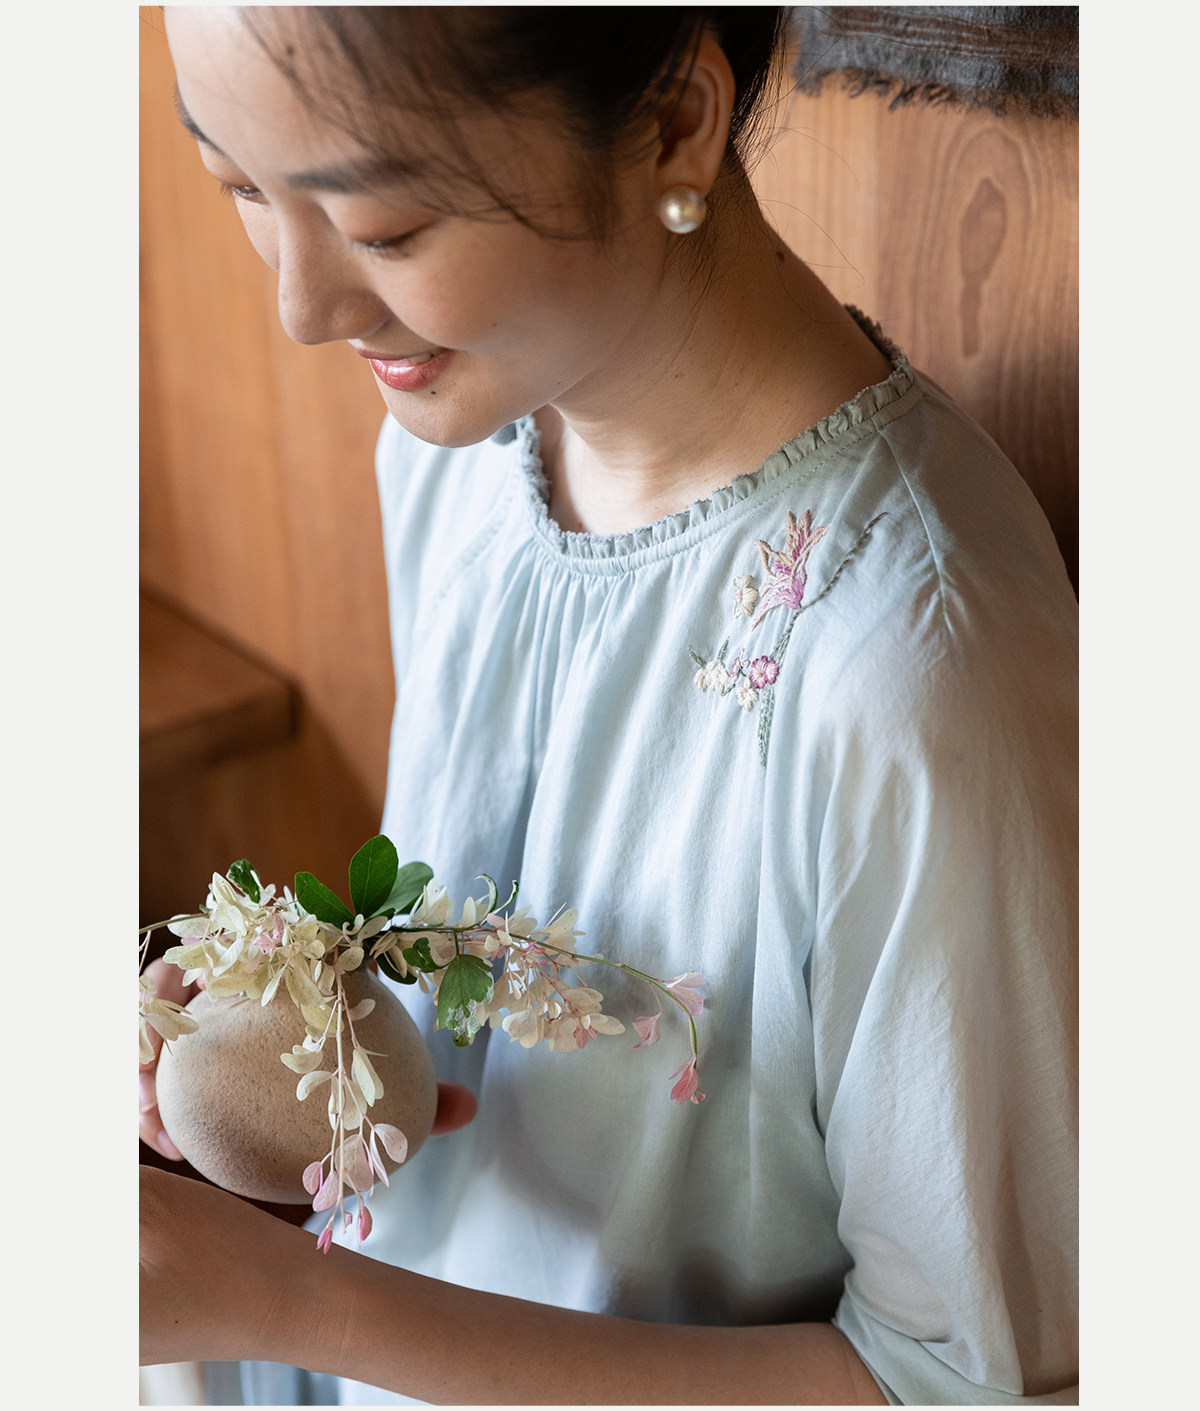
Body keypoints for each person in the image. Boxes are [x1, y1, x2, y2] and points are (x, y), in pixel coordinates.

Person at [139, 7, 1078, 1405]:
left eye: (386, 229)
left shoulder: (914, 669)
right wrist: (286, 1042)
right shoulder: (462, 449)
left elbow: (963, 1381)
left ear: (675, 124)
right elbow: (491, 1040)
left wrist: (298, 1306)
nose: (305, 308)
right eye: (238, 185)